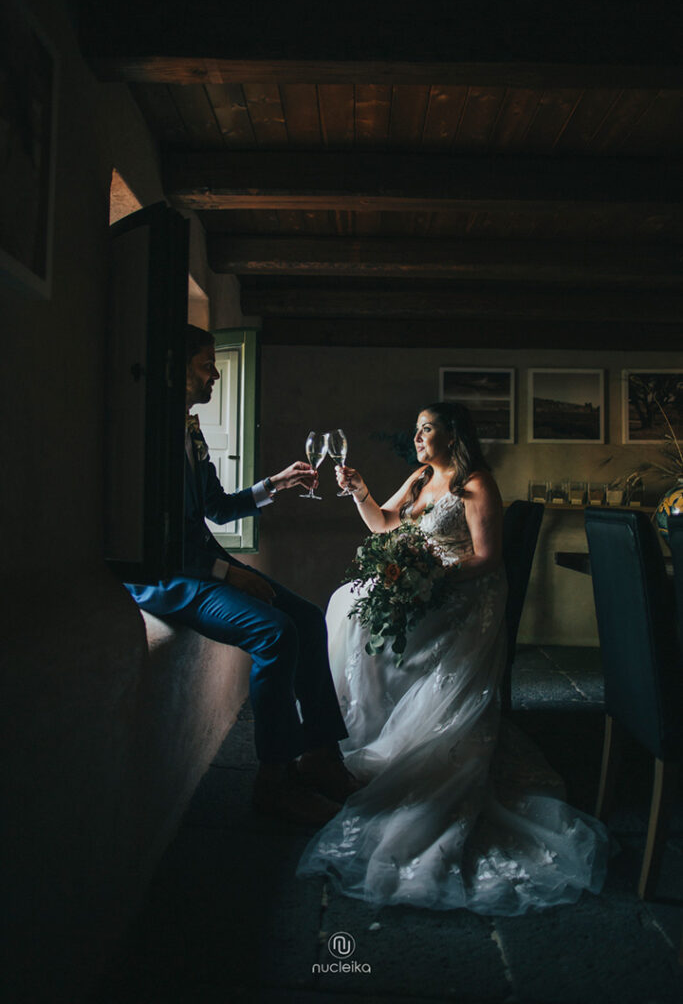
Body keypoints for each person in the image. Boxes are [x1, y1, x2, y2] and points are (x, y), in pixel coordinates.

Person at [297, 402, 609, 913]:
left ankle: (384, 735)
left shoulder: (477, 484)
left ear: (452, 434)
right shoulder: (421, 476)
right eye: (416, 428)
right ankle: (354, 733)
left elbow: (486, 558)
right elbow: (384, 526)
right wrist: (360, 492)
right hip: (424, 584)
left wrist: (429, 578)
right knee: (347, 603)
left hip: (463, 593)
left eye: (427, 429)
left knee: (359, 612)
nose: (417, 437)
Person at [126, 325, 358, 827]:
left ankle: (320, 754)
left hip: (203, 566)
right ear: (178, 365)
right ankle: (274, 782)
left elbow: (215, 507)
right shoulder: (144, 428)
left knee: (307, 616)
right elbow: (153, 536)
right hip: (168, 577)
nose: (214, 373)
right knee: (275, 632)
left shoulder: (191, 429)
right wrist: (223, 571)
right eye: (206, 362)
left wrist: (273, 484)